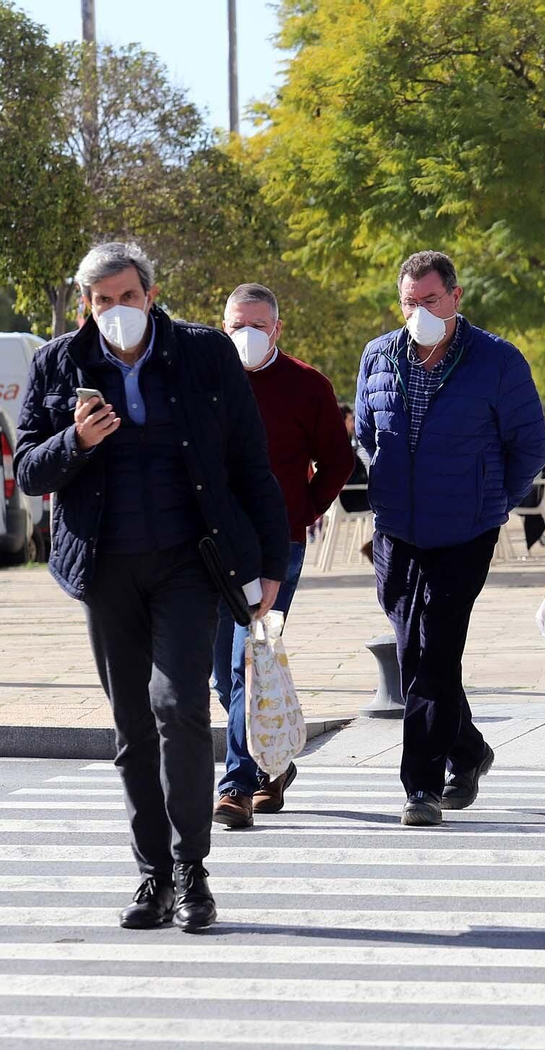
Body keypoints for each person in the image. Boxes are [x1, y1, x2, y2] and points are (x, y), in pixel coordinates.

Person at [15, 242, 288, 933]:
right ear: (86, 304)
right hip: (105, 568)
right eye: (101, 300)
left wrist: (269, 566)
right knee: (134, 725)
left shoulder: (203, 353)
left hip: (187, 563)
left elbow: (250, 461)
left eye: (126, 297)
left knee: (180, 706)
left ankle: (194, 870)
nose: (115, 311)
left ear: (150, 293)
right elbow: (28, 470)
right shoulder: (57, 364)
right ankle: (153, 877)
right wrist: (74, 441)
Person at [355, 250, 545, 827]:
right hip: (395, 528)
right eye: (410, 302)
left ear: (456, 297)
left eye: (430, 300)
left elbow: (531, 447)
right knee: (415, 651)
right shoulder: (378, 355)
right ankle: (469, 751)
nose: (419, 312)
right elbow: (366, 434)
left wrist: (492, 501)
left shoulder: (497, 360)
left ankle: (422, 785)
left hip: (465, 529)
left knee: (435, 651)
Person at [211, 284, 352, 830]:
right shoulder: (207, 381)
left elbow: (338, 461)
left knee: (251, 660)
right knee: (221, 675)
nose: (244, 335)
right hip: (212, 547)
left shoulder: (307, 386)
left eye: (255, 325)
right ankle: (274, 760)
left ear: (276, 329)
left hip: (277, 549)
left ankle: (237, 785)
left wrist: (303, 513)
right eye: (234, 325)